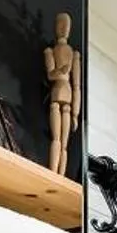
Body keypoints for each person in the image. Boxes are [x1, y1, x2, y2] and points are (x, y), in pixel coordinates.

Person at [44, 12, 80, 177]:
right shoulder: (50, 51)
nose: (64, 28)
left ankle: (60, 175)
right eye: (61, 24)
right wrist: (61, 70)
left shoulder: (73, 54)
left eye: (66, 25)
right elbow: (51, 74)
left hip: (68, 95)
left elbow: (77, 85)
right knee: (56, 138)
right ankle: (54, 173)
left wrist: (76, 113)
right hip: (57, 91)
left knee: (64, 143)